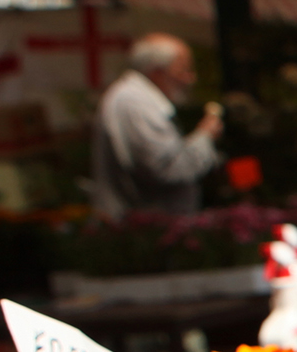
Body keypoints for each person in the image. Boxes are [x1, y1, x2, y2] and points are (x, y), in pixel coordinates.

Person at [91, 32, 223, 220]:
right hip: (146, 229)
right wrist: (205, 136)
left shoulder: (136, 99)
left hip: (149, 227)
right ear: (157, 72)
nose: (190, 78)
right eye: (183, 70)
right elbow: (167, 169)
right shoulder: (136, 103)